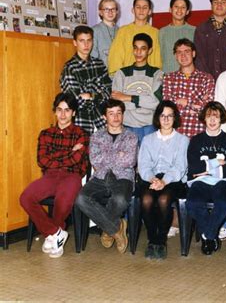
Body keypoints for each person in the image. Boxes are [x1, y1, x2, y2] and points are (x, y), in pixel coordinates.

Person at [19, 93, 89, 258]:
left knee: (63, 202)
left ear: (73, 113)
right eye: (59, 110)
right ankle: (56, 233)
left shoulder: (82, 134)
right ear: (54, 111)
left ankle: (52, 238)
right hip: (49, 176)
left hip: (72, 176)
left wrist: (57, 156)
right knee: (25, 197)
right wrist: (69, 152)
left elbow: (76, 160)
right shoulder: (46, 134)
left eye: (67, 110)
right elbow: (42, 160)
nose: (63, 114)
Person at [75, 99, 138, 254]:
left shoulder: (131, 137)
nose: (116, 117)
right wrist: (118, 154)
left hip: (123, 176)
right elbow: (95, 160)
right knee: (81, 199)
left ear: (123, 115)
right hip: (100, 176)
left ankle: (107, 229)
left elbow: (129, 161)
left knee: (120, 199)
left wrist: (108, 155)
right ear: (104, 117)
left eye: (119, 113)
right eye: (111, 114)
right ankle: (117, 229)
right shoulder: (96, 136)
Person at [186, 101, 226, 255]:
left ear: (221, 118)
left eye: (216, 116)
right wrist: (216, 163)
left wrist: (206, 169)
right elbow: (194, 168)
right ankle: (212, 235)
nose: (212, 120)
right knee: (193, 203)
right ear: (204, 118)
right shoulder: (196, 140)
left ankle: (208, 235)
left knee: (224, 201)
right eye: (209, 116)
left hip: (224, 182)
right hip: (201, 181)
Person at [137, 101, 189, 259]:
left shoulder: (183, 140)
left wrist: (164, 181)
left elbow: (180, 166)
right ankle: (152, 240)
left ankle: (161, 241)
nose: (166, 119)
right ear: (157, 118)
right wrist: (153, 179)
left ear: (175, 118)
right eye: (162, 116)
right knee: (146, 199)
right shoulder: (147, 139)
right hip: (151, 178)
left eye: (170, 116)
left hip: (174, 179)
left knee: (164, 199)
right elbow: (143, 165)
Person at [111, 33, 163, 144]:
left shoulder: (157, 74)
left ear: (149, 51)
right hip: (127, 125)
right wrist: (144, 103)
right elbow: (117, 102)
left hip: (149, 126)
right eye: (135, 48)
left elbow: (156, 102)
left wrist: (128, 98)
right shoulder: (121, 73)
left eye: (143, 49)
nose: (138, 52)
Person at [60, 25, 112, 135]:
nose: (86, 45)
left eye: (89, 40)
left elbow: (108, 93)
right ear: (75, 42)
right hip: (81, 122)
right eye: (82, 41)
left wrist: (90, 95)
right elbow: (75, 101)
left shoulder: (99, 64)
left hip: (101, 121)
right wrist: (96, 91)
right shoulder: (70, 68)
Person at [163, 38, 215, 138]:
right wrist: (197, 103)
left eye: (187, 51)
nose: (183, 56)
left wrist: (184, 103)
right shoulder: (168, 78)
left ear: (194, 53)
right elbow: (168, 107)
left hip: (200, 133)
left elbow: (208, 108)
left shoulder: (206, 78)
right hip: (175, 134)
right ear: (175, 56)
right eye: (179, 52)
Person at [108, 0, 162, 75]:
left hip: (147, 78)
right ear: (133, 10)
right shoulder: (123, 31)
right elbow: (116, 57)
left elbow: (157, 59)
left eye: (145, 7)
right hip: (127, 77)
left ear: (150, 11)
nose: (141, 10)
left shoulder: (155, 33)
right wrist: (118, 77)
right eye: (138, 7)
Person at [159, 0, 196, 73]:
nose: (179, 10)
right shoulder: (162, 32)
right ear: (170, 9)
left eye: (183, 7)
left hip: (189, 77)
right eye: (176, 7)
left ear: (187, 11)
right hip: (167, 77)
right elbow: (160, 57)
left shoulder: (194, 31)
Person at [91, 0, 119, 68]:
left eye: (113, 9)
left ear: (117, 11)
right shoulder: (95, 30)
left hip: (118, 74)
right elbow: (93, 56)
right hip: (101, 73)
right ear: (100, 12)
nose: (110, 12)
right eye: (106, 9)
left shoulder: (121, 31)